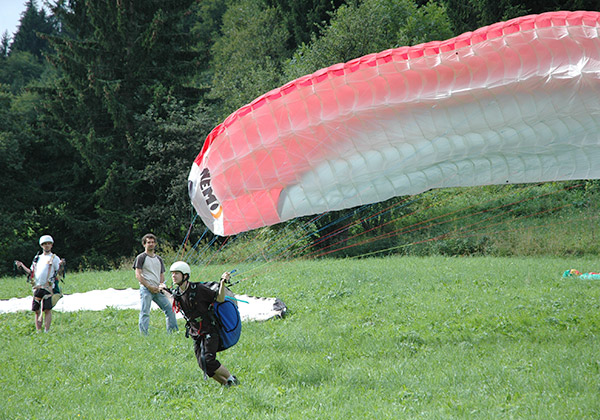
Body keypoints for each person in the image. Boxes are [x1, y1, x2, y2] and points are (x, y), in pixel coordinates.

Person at [160, 261, 239, 387]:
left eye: (176, 274)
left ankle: (231, 379)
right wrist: (164, 290)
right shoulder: (178, 293)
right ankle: (226, 384)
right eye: (172, 273)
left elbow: (220, 298)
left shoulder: (199, 289)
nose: (173, 276)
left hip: (209, 330)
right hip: (195, 332)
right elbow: (174, 302)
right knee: (203, 364)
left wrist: (222, 283)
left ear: (185, 276)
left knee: (208, 360)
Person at [14, 235, 64, 332]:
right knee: (36, 310)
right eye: (45, 244)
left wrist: (61, 266)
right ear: (42, 246)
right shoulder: (37, 258)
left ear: (51, 245)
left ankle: (47, 330)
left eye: (49, 244)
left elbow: (59, 273)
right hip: (37, 287)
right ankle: (38, 331)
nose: (47, 246)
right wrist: (22, 266)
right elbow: (31, 272)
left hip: (48, 287)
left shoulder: (55, 258)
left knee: (47, 309)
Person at [133, 233, 178, 335]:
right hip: (146, 289)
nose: (151, 244)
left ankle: (173, 332)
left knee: (169, 309)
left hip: (158, 290)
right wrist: (149, 286)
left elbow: (161, 274)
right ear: (144, 244)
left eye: (153, 242)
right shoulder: (141, 257)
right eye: (148, 242)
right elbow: (138, 275)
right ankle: (144, 334)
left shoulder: (159, 259)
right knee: (145, 312)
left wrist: (160, 286)